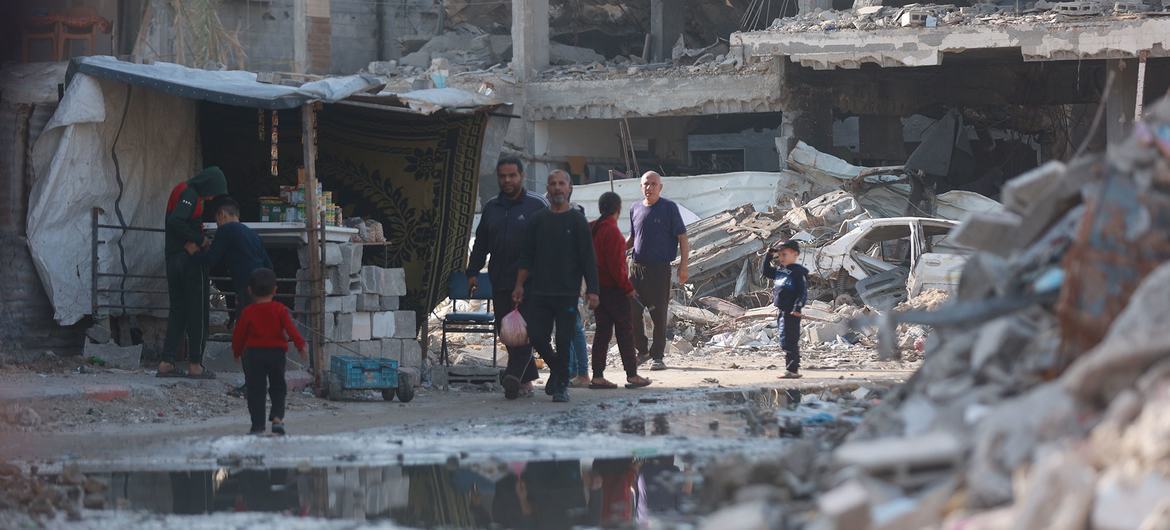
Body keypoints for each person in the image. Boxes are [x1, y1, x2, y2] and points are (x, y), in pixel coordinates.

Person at [512, 170, 600, 403]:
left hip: (568, 293)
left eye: (562, 183)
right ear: (548, 189)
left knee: (564, 339)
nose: (558, 188)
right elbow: (526, 257)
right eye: (553, 184)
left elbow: (588, 259)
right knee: (536, 335)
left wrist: (593, 289)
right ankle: (559, 370)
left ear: (569, 188)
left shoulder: (577, 221)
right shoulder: (538, 220)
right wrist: (519, 285)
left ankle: (561, 386)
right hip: (540, 291)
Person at [466, 157, 549, 398]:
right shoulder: (492, 207)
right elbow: (481, 244)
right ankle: (526, 381)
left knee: (526, 330)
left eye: (512, 175)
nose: (507, 180)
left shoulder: (537, 205)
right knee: (509, 332)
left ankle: (512, 376)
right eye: (502, 176)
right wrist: (472, 272)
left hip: (532, 283)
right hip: (500, 281)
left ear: (522, 176)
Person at [158, 166, 228, 379]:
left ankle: (166, 362)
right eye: (213, 191)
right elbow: (176, 221)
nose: (213, 196)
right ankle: (196, 364)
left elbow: (177, 223)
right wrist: (199, 239)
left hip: (172, 259)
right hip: (188, 261)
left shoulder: (182, 191)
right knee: (198, 311)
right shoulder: (190, 194)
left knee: (178, 311)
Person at [231, 268, 307, 435]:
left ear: (249, 290)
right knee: (278, 387)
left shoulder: (247, 312)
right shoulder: (280, 309)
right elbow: (291, 329)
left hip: (255, 355)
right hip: (276, 354)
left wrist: (236, 351)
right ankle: (278, 419)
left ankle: (257, 425)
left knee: (256, 390)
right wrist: (301, 346)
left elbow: (239, 334)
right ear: (275, 290)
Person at [589, 192, 651, 390]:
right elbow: (616, 267)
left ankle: (597, 376)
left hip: (598, 289)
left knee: (602, 333)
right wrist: (628, 288)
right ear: (618, 209)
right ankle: (632, 375)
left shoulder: (593, 227)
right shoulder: (613, 232)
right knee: (625, 332)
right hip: (614, 290)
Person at [627, 171, 689, 372]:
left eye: (654, 184)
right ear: (641, 186)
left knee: (658, 315)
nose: (649, 187)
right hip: (635, 270)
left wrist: (683, 266)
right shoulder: (635, 208)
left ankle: (658, 357)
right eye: (646, 184)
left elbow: (683, 237)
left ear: (660, 187)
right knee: (632, 311)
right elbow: (632, 238)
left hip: (659, 270)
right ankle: (642, 351)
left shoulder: (669, 208)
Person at [191, 198, 272, 324]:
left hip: (246, 285)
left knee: (245, 325)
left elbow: (211, 259)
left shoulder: (225, 230)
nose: (217, 224)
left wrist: (194, 253)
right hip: (263, 287)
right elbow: (268, 264)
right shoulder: (252, 234)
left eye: (217, 220)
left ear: (222, 215)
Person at [762, 240, 808, 379]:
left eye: (785, 254)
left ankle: (792, 370)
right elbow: (766, 271)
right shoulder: (780, 271)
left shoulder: (798, 272)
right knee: (784, 339)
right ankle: (791, 368)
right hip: (782, 310)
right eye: (780, 255)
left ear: (795, 254)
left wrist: (797, 307)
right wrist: (768, 256)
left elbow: (802, 292)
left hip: (791, 311)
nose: (781, 257)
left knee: (790, 340)